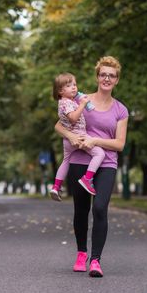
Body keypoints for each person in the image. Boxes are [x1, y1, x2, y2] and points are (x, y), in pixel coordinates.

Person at [54, 56, 128, 278]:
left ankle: (95, 260)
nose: (107, 78)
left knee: (99, 208)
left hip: (105, 163)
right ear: (97, 77)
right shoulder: (81, 100)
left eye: (111, 75)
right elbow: (59, 125)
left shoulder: (121, 110)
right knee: (81, 210)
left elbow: (119, 144)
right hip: (79, 160)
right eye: (103, 74)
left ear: (116, 81)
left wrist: (95, 141)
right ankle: (81, 253)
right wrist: (73, 137)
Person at [50, 73, 106, 201]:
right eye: (69, 86)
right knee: (99, 154)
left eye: (74, 84)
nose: (74, 88)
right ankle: (87, 178)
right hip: (79, 137)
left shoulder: (66, 102)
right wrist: (82, 104)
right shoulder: (66, 103)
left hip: (68, 140)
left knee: (65, 161)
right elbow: (73, 118)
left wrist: (80, 102)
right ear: (60, 91)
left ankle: (56, 186)